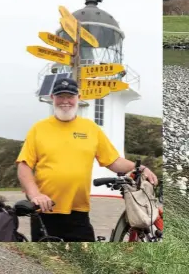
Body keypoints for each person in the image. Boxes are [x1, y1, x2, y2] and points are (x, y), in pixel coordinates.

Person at [15, 77, 158, 242]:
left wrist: (141, 168)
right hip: (45, 211)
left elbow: (113, 161)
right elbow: (24, 166)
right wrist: (35, 195)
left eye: (70, 96)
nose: (65, 101)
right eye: (60, 96)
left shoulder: (91, 129)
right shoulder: (38, 129)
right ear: (52, 98)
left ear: (79, 97)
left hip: (79, 212)